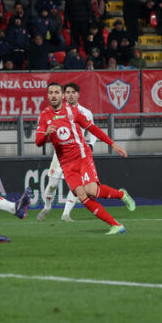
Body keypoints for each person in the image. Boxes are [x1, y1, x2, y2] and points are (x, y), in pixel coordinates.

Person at [35, 83, 136, 234]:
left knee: (91, 190)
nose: (54, 95)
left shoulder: (72, 112)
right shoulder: (44, 115)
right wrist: (46, 134)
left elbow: (92, 128)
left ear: (61, 95)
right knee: (82, 196)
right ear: (47, 96)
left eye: (57, 92)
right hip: (66, 163)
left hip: (82, 156)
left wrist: (113, 144)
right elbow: (38, 142)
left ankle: (121, 194)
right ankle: (116, 225)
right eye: (51, 93)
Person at [38, 83, 97, 222]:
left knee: (76, 186)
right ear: (64, 95)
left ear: (78, 94)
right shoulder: (57, 111)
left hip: (78, 155)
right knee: (52, 185)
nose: (70, 95)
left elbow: (93, 131)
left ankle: (66, 214)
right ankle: (47, 206)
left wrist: (91, 145)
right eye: (68, 92)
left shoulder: (85, 113)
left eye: (73, 92)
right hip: (60, 155)